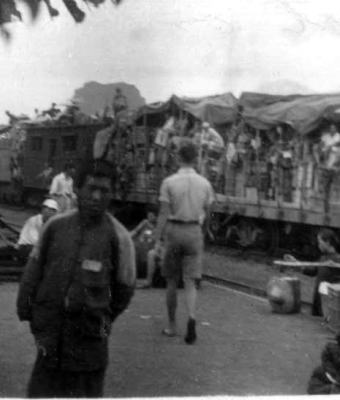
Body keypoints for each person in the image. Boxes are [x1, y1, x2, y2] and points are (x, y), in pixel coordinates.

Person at [17, 160, 136, 398]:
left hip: (90, 345)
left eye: (104, 191)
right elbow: (33, 273)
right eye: (91, 188)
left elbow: (124, 290)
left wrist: (99, 316)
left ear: (112, 195)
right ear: (77, 190)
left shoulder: (120, 238)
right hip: (50, 340)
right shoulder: (55, 227)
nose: (96, 196)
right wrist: (31, 313)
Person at [154, 142, 215, 344]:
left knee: (171, 280)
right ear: (196, 159)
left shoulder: (169, 182)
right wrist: (203, 232)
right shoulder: (205, 183)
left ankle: (172, 325)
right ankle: (191, 317)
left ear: (178, 158)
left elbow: (163, 213)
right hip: (193, 230)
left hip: (174, 230)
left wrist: (157, 238)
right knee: (190, 282)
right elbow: (209, 214)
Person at [284, 228, 340, 318]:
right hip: (317, 300)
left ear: (328, 242)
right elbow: (313, 272)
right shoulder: (323, 258)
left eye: (320, 242)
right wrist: (296, 263)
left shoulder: (339, 259)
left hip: (327, 302)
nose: (318, 245)